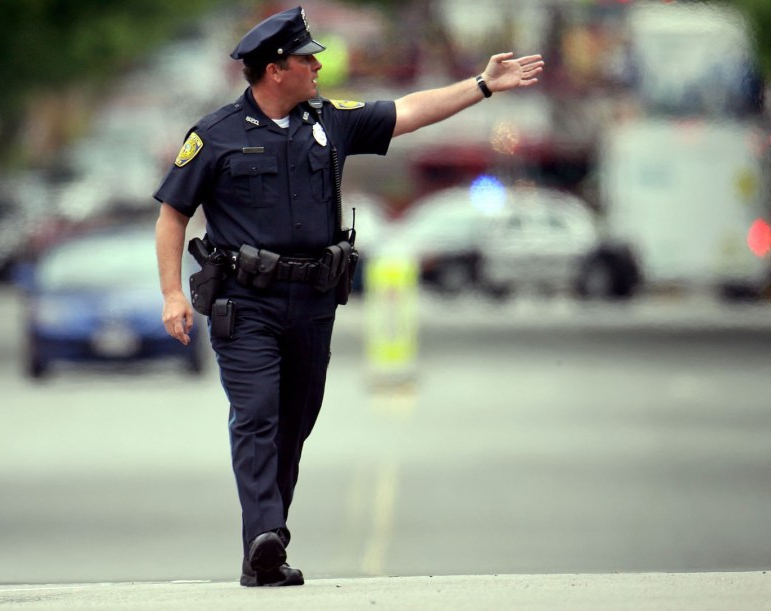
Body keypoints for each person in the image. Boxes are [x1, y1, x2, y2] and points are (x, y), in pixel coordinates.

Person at [154, 5, 543, 588]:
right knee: (256, 413)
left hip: (311, 303)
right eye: (306, 58)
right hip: (245, 303)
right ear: (272, 69)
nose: (317, 65)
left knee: (296, 420)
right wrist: (171, 295)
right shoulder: (214, 136)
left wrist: (483, 85)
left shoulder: (330, 121)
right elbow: (172, 216)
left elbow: (409, 112)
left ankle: (267, 544)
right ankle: (264, 534)